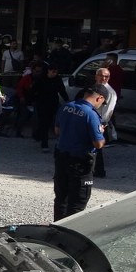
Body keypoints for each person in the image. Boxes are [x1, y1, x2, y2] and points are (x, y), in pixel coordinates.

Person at [53, 86, 107, 221]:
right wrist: (101, 132)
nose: (100, 105)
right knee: (77, 203)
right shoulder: (91, 114)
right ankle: (69, 231)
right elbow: (98, 144)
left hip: (61, 158)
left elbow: (57, 131)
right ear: (99, 98)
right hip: (80, 164)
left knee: (61, 199)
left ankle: (56, 228)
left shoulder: (66, 107)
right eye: (102, 102)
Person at [31, 63, 69, 152]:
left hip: (53, 103)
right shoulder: (41, 79)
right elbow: (33, 90)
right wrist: (33, 100)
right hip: (42, 103)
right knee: (44, 122)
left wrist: (67, 101)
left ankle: (37, 135)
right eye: (53, 71)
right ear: (48, 71)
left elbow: (62, 90)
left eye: (56, 72)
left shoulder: (57, 79)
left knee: (48, 122)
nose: (54, 73)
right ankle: (44, 144)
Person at [90, 67, 117, 178]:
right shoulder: (94, 87)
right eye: (101, 76)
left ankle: (99, 171)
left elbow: (108, 111)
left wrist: (102, 124)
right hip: (91, 119)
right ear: (96, 76)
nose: (104, 78)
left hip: (99, 122)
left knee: (97, 147)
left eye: (106, 76)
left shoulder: (110, 92)